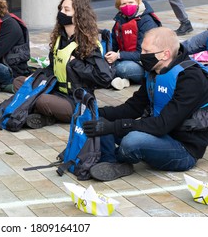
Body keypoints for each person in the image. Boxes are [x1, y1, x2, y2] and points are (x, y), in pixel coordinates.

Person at [83, 27, 208, 182]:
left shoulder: (191, 78)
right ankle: (111, 161)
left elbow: (162, 125)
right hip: (157, 133)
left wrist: (114, 127)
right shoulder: (155, 70)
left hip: (183, 148)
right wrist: (96, 112)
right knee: (101, 122)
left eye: (146, 50)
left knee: (132, 141)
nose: (141, 55)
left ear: (165, 54)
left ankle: (116, 158)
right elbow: (132, 108)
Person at [13, 0, 114, 129]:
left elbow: (104, 77)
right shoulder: (60, 39)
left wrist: (75, 63)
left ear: (78, 15)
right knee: (20, 82)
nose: (61, 13)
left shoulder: (89, 43)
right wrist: (34, 76)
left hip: (75, 100)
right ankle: (45, 116)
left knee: (41, 100)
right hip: (55, 90)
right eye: (61, 9)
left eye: (66, 10)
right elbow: (52, 68)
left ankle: (44, 114)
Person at [106, 0, 161, 90]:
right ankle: (125, 81)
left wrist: (118, 55)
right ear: (119, 6)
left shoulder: (146, 21)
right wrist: (107, 56)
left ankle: (121, 77)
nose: (127, 6)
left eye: (131, 2)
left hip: (145, 65)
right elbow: (113, 44)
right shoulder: (120, 20)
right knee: (104, 64)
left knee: (122, 68)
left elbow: (143, 54)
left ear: (137, 2)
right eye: (123, 4)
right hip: (127, 58)